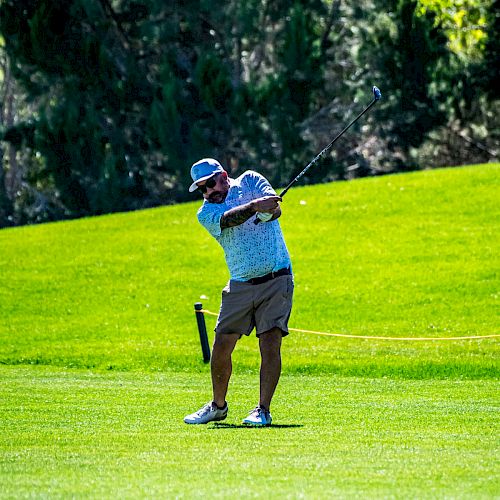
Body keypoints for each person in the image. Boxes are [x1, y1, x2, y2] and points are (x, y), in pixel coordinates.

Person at [184, 158, 294, 426]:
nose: (208, 192)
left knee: (270, 343)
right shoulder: (205, 213)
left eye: (210, 184)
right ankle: (218, 406)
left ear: (223, 175)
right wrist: (256, 207)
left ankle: (262, 410)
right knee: (221, 345)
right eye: (202, 189)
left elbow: (274, 209)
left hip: (277, 276)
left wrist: (268, 210)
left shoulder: (250, 180)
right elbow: (228, 220)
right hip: (240, 283)